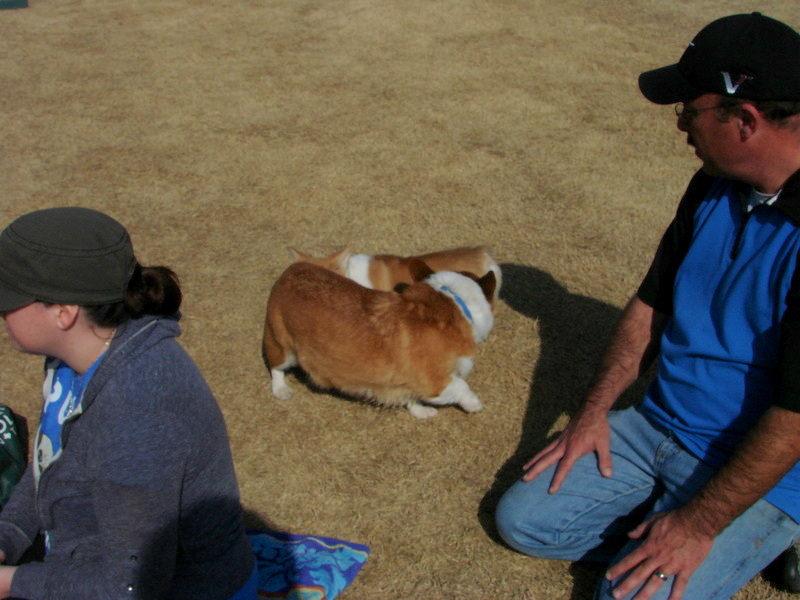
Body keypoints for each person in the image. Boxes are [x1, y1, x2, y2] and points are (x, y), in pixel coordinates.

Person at [495, 12, 800, 600]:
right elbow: (647, 308)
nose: (680, 124)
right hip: (656, 425)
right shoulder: (713, 181)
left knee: (627, 596)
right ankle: (660, 535)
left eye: (688, 109)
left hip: (759, 473)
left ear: (745, 119)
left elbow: (793, 423)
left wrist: (695, 526)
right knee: (524, 521)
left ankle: (767, 535)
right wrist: (592, 415)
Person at [0, 207, 257, 599]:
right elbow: (46, 460)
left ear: (63, 313)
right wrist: (8, 537)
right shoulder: (72, 360)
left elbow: (131, 587)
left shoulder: (137, 413)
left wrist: (10, 583)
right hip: (88, 566)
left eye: (9, 298)